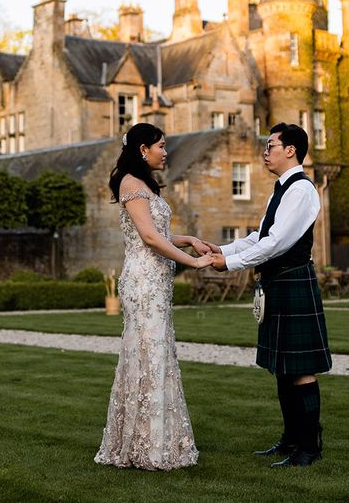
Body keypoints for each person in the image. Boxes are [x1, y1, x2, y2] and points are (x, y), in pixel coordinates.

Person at [209, 122, 331, 467]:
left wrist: (229, 264)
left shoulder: (302, 190)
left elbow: (276, 244)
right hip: (279, 283)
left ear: (290, 150)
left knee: (301, 368)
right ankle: (291, 440)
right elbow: (259, 237)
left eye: (271, 145)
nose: (266, 152)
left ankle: (309, 448)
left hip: (293, 280)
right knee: (282, 367)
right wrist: (219, 250)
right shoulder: (280, 189)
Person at [95, 122, 215, 471]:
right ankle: (143, 446)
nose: (166, 152)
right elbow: (148, 238)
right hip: (144, 284)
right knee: (148, 355)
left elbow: (161, 234)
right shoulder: (131, 183)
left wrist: (189, 238)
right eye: (161, 145)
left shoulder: (144, 185)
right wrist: (193, 261)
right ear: (143, 149)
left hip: (156, 282)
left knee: (158, 354)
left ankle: (153, 440)